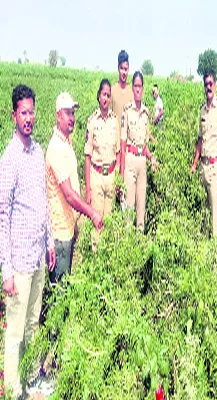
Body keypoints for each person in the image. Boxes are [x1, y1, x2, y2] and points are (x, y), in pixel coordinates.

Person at [0, 85, 55, 399]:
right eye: (24, 113)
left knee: (33, 323)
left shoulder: (37, 152)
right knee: (15, 332)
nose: (29, 118)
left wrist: (48, 242)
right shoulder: (9, 158)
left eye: (32, 112)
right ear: (14, 116)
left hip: (36, 257)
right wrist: (6, 270)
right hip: (18, 261)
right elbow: (2, 215)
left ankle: (31, 380)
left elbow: (42, 202)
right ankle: (11, 390)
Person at [46, 92, 103, 283]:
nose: (72, 118)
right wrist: (92, 213)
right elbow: (69, 195)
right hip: (60, 234)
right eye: (67, 113)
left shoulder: (66, 143)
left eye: (73, 113)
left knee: (65, 284)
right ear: (57, 116)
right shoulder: (56, 148)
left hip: (68, 228)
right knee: (60, 292)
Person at [189, 68, 217, 236]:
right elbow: (200, 140)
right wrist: (194, 164)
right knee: (206, 215)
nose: (208, 87)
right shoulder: (202, 110)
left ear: (215, 85)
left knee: (215, 219)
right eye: (205, 84)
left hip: (215, 168)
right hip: (203, 169)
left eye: (210, 83)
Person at [85, 79, 120, 251]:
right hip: (97, 177)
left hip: (111, 175)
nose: (106, 98)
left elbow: (119, 152)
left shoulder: (115, 121)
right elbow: (87, 156)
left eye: (108, 95)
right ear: (98, 96)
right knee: (97, 221)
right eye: (103, 94)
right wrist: (87, 190)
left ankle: (108, 257)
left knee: (109, 219)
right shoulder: (92, 121)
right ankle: (96, 256)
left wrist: (119, 178)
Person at [120, 71, 157, 231]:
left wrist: (151, 158)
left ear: (143, 88)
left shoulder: (146, 113)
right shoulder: (127, 111)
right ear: (132, 88)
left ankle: (140, 243)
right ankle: (128, 244)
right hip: (129, 159)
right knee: (129, 208)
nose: (137, 89)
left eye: (140, 86)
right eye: (135, 85)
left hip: (142, 162)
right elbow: (122, 143)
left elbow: (145, 144)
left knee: (141, 207)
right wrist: (121, 174)